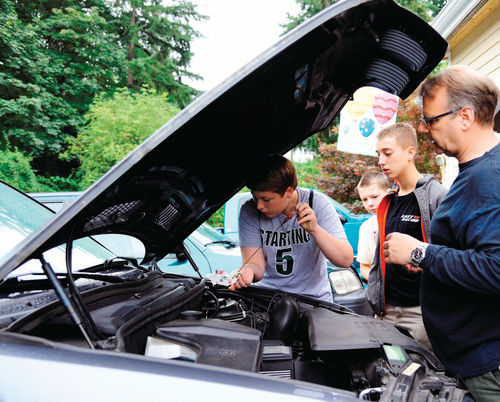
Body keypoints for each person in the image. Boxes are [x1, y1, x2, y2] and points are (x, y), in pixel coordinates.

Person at [381, 65, 500, 401]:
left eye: (431, 119)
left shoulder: (488, 178)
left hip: (487, 365)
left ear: (465, 116)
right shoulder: (479, 171)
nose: (423, 127)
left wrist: (421, 252)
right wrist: (432, 263)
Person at [228, 154, 353, 302]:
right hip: (267, 299)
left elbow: (345, 260)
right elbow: (256, 265)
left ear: (289, 191)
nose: (259, 206)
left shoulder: (317, 203)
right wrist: (248, 271)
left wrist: (314, 229)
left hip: (313, 300)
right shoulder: (249, 211)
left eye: (266, 199)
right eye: (255, 198)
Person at [367, 122, 447, 350]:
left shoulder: (437, 196)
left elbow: (451, 255)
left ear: (410, 152)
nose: (381, 161)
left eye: (387, 153)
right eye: (378, 154)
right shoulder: (387, 202)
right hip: (386, 311)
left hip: (422, 314)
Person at [356, 171, 391, 281]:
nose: (369, 203)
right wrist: (379, 283)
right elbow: (364, 266)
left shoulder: (404, 218)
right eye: (364, 199)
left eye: (374, 196)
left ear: (389, 193)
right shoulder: (366, 227)